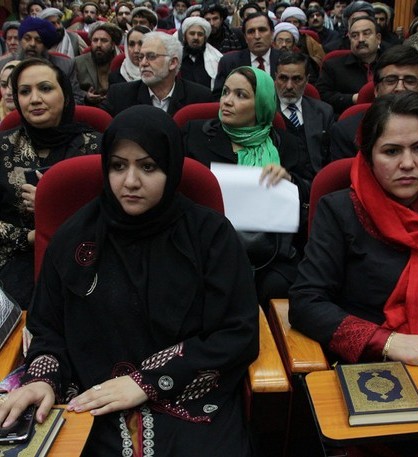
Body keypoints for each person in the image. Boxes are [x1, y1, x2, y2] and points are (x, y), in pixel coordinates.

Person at [0, 105, 259, 457]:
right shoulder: (75, 238)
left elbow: (238, 332)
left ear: (171, 166)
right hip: (92, 398)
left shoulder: (210, 235)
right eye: (118, 166)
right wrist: (43, 379)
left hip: (186, 393)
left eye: (148, 167)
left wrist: (146, 382)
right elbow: (48, 327)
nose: (131, 182)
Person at [290, 91, 418, 456]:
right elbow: (306, 301)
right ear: (368, 156)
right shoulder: (341, 211)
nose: (408, 164)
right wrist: (387, 342)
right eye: (391, 151)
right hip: (376, 363)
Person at [183, 67, 312, 309]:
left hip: (269, 251)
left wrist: (290, 180)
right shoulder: (195, 136)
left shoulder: (287, 144)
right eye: (225, 92)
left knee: (278, 286)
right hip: (206, 246)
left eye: (240, 95)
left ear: (261, 104)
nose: (227, 101)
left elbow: (309, 194)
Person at [0, 58, 101, 309]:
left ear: (65, 96)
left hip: (86, 259)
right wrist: (31, 237)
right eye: (25, 92)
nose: (34, 99)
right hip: (15, 261)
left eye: (45, 88)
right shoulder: (2, 148)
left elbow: (119, 213)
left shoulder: (98, 148)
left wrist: (54, 210)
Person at [105, 31, 213, 117]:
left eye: (151, 56)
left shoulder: (200, 98)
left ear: (172, 63)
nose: (143, 63)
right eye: (141, 57)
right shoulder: (119, 95)